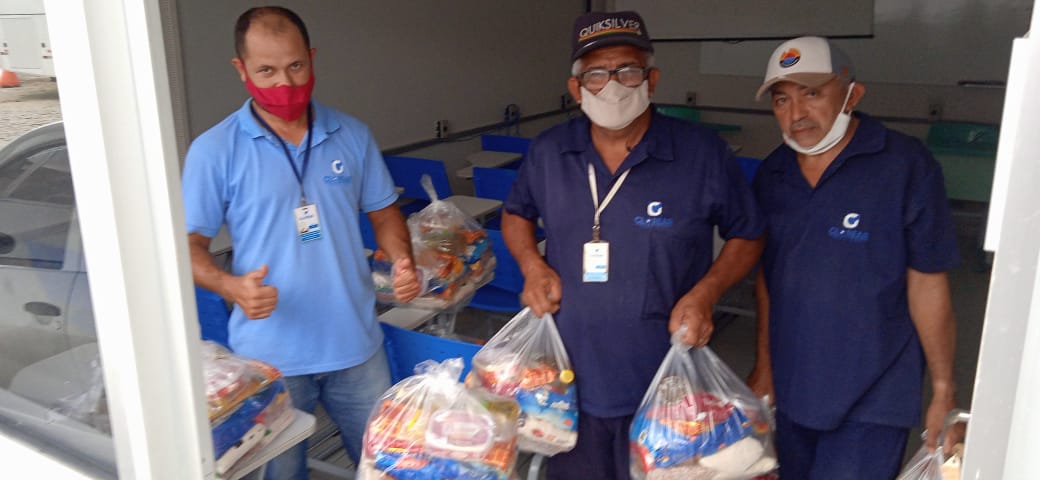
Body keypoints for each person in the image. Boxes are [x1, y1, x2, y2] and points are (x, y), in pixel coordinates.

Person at [501, 11, 765, 479]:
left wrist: (707, 293)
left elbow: (748, 233)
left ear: (652, 79)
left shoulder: (700, 153)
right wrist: (531, 265)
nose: (612, 86)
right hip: (564, 382)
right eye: (596, 74)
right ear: (576, 88)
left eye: (627, 70)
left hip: (666, 380)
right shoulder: (549, 151)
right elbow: (516, 212)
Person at [181, 6, 420, 478]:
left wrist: (402, 260)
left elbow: (384, 212)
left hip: (357, 345)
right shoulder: (214, 150)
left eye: (295, 66)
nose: (284, 83)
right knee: (281, 475)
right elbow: (187, 246)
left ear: (312, 58)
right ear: (241, 69)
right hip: (271, 359)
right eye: (266, 71)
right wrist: (231, 287)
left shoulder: (352, 135)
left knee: (387, 467)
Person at [746, 36, 961, 479]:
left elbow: (927, 281)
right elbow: (769, 278)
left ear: (852, 94)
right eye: (782, 99)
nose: (797, 113)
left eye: (812, 93)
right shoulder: (773, 173)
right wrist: (765, 368)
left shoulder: (904, 165)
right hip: (794, 385)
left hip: (875, 393)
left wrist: (943, 388)